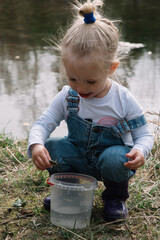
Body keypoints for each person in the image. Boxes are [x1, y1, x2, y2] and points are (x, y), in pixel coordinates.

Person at [27, 0, 153, 221]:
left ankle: (115, 198)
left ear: (111, 68)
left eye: (91, 81)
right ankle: (67, 190)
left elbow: (144, 135)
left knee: (116, 157)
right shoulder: (68, 95)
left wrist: (141, 150)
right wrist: (36, 144)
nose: (81, 88)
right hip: (79, 159)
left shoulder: (123, 99)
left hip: (110, 162)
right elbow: (43, 123)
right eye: (73, 78)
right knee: (54, 147)